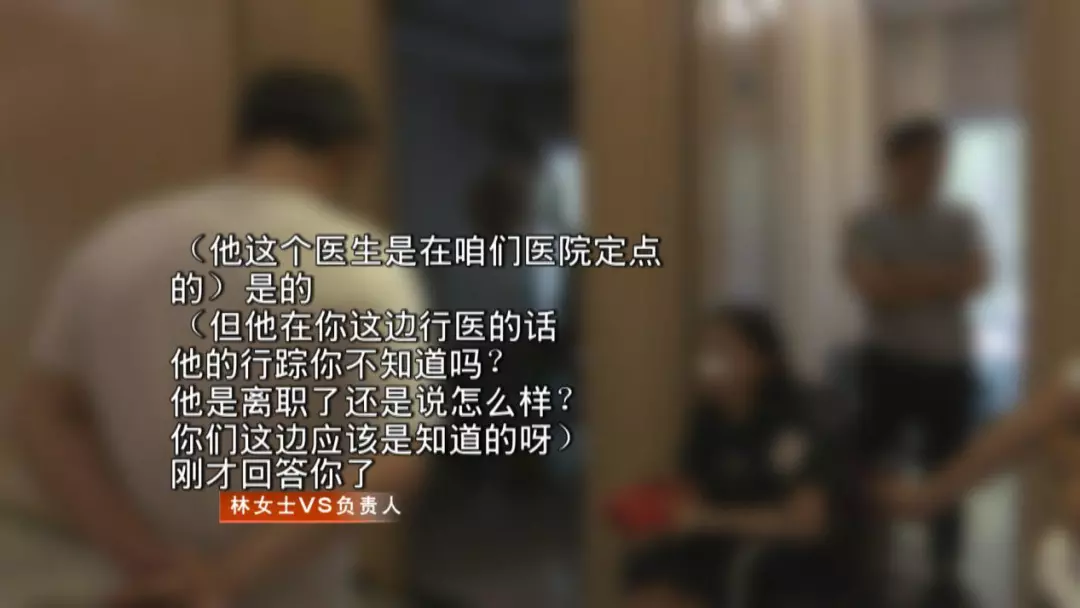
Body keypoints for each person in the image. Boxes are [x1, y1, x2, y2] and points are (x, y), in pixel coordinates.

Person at [11, 68, 430, 608]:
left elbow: (40, 415)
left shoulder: (115, 243)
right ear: (347, 157)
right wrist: (227, 576)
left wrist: (148, 562)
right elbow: (395, 466)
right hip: (296, 591)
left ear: (241, 144)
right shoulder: (365, 263)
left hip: (147, 587)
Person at [843, 116, 989, 606]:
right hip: (888, 365)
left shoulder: (960, 219)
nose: (932, 171)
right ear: (897, 163)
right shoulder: (867, 223)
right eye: (922, 161)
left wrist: (902, 278)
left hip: (949, 366)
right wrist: (943, 279)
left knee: (949, 470)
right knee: (869, 465)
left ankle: (944, 572)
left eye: (938, 162)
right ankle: (865, 560)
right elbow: (872, 287)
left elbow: (977, 278)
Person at [623, 306, 838, 608]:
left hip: (777, 556)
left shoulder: (792, 426)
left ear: (762, 361)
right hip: (713, 543)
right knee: (648, 566)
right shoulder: (707, 421)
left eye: (724, 351)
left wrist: (707, 519)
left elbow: (807, 523)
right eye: (706, 352)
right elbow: (694, 491)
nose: (710, 364)